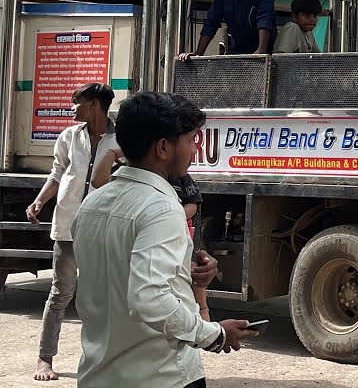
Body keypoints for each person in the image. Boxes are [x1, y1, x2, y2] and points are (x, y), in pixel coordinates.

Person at [71, 92, 257, 386]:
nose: (194, 150)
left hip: (99, 375)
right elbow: (148, 297)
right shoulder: (161, 208)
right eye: (190, 140)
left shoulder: (92, 204)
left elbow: (116, 272)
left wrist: (184, 270)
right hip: (161, 375)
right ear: (162, 147)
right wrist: (215, 334)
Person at [24, 83, 119, 382]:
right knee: (60, 293)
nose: (72, 108)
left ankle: (102, 360)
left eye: (77, 103)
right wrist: (39, 201)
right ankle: (45, 358)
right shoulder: (68, 136)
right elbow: (57, 173)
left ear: (94, 104)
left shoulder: (122, 140)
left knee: (102, 297)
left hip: (103, 229)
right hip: (67, 225)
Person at [92, 147, 212, 321]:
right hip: (141, 237)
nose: (193, 150)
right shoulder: (125, 175)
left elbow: (192, 204)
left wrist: (171, 216)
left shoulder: (180, 177)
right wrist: (111, 153)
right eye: (188, 140)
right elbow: (98, 182)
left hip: (176, 233)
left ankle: (203, 311)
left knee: (192, 271)